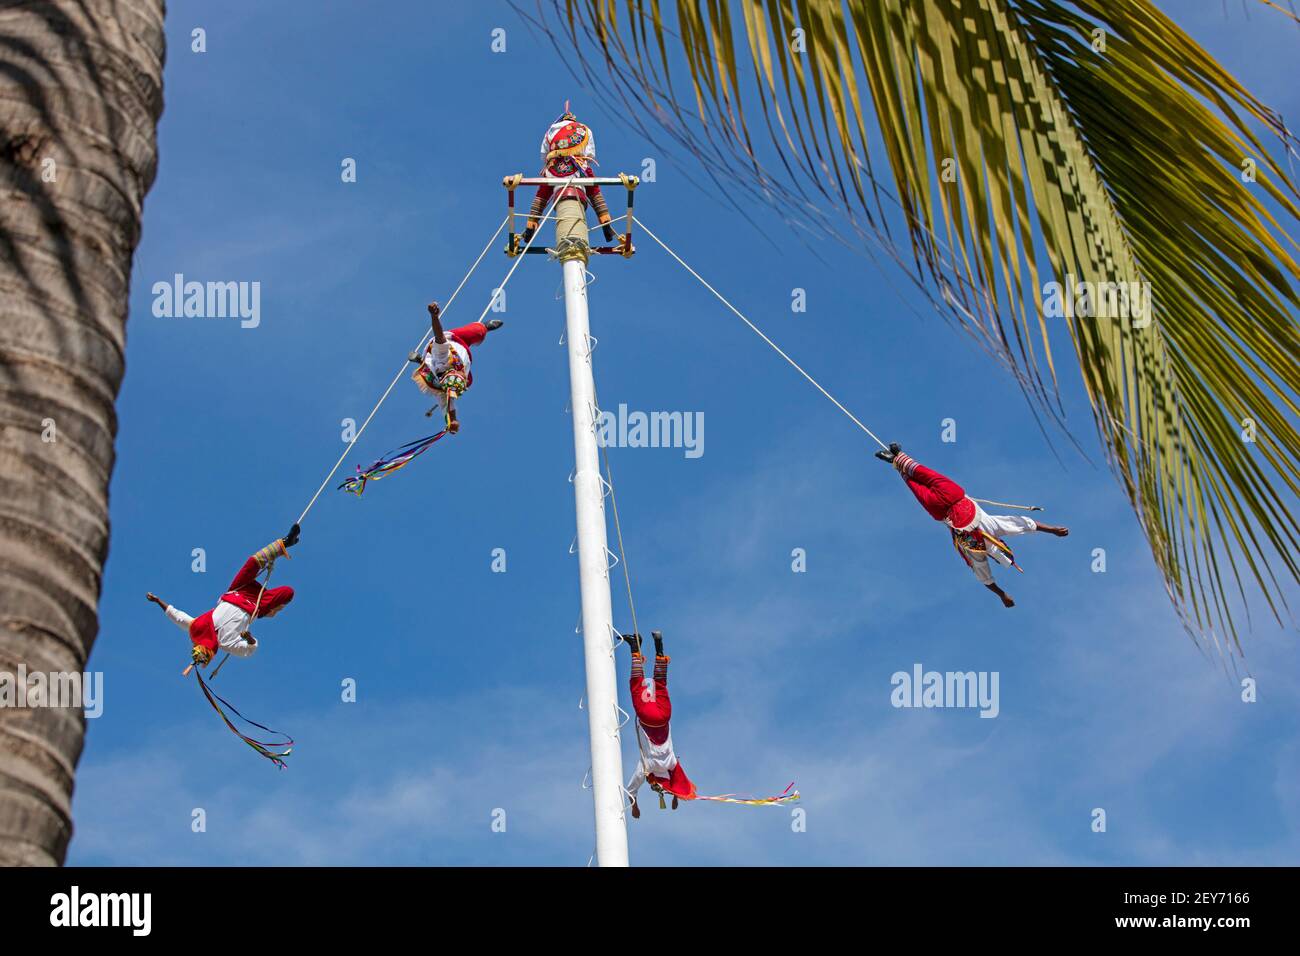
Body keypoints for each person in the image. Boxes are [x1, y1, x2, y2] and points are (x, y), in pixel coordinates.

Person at [876, 443, 1068, 607]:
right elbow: (1024, 525)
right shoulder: (985, 541)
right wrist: (1002, 595)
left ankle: (898, 457)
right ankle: (897, 458)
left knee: (923, 479)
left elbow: (1023, 524)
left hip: (947, 506)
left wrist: (1052, 530)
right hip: (951, 502)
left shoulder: (982, 546)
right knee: (920, 483)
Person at [146, 527, 300, 667]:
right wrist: (249, 639)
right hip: (254, 606)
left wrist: (158, 601)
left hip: (237, 591)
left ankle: (285, 543)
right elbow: (250, 650)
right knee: (288, 592)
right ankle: (269, 612)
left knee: (252, 563)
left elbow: (176, 616)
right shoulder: (227, 643)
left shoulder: (196, 626)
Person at [520, 104, 617, 246]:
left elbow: (544, 154)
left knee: (542, 194)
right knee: (594, 192)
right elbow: (590, 153)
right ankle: (605, 221)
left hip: (553, 169)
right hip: (579, 166)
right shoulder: (584, 129)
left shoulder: (550, 132)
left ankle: (531, 224)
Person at [625, 630, 695, 817]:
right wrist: (634, 806)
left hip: (665, 717)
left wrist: (675, 797)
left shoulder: (671, 762)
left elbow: (678, 780)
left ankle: (659, 649)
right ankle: (634, 647)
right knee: (636, 684)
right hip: (649, 719)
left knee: (661, 684)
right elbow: (632, 787)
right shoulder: (647, 768)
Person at [408, 301, 503, 433]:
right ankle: (421, 360)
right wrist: (453, 422)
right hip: (461, 361)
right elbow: (448, 405)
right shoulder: (456, 384)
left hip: (454, 339)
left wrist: (434, 316)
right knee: (469, 382)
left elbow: (439, 336)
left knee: (478, 332)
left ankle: (485, 326)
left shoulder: (444, 357)